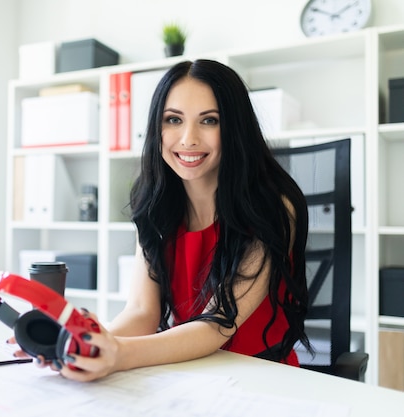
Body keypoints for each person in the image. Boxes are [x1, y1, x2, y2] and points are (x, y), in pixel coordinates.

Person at [24, 58, 312, 382]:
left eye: (210, 121)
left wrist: (118, 354)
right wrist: (85, 344)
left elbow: (217, 323)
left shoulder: (272, 208)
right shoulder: (154, 205)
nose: (188, 139)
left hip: (262, 378)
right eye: (173, 119)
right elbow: (142, 313)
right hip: (187, 369)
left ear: (235, 129)